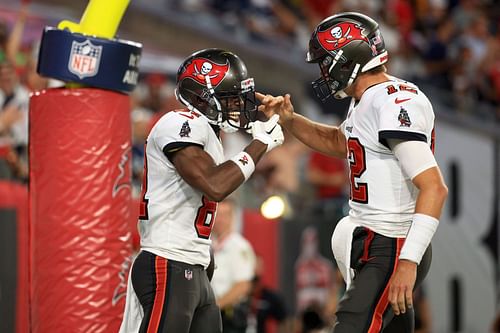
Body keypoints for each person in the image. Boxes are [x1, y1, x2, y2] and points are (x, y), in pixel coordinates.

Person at [257, 12, 448, 333]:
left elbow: (434, 188)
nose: (323, 70)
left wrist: (407, 261)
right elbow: (338, 140)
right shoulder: (367, 98)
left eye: (326, 61)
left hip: (390, 245)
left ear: (348, 59)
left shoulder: (394, 103)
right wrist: (290, 120)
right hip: (378, 242)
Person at [119, 48, 284, 333]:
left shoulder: (208, 133)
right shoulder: (179, 123)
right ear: (203, 97)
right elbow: (214, 185)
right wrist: (258, 145)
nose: (236, 105)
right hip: (167, 260)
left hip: (194, 264)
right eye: (230, 98)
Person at [211, 198, 256, 333]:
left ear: (232, 218)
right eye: (217, 215)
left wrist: (215, 307)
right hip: (212, 315)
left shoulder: (239, 246)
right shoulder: (208, 245)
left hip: (230, 316)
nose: (220, 220)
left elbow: (243, 285)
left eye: (225, 215)